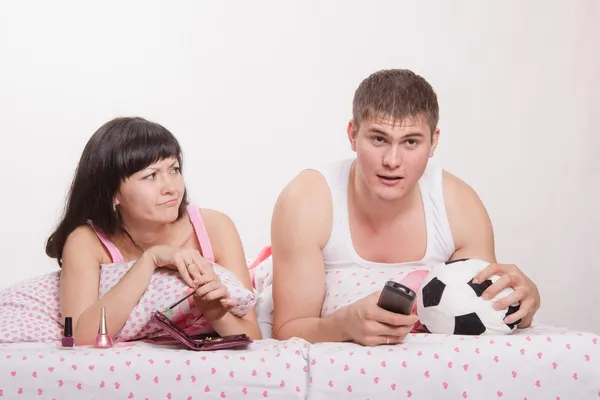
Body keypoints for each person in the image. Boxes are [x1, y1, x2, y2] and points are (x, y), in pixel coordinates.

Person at [270, 69, 541, 346]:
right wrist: (342, 326)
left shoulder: (458, 206)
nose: (392, 160)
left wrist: (524, 306)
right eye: (378, 139)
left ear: (433, 142)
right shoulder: (307, 200)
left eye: (411, 142)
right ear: (353, 135)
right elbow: (287, 329)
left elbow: (483, 320)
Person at [46, 116, 261, 345]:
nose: (171, 188)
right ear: (113, 193)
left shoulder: (214, 227)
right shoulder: (86, 241)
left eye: (174, 169)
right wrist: (150, 260)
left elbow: (255, 338)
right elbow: (81, 338)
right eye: (151, 175)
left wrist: (217, 316)